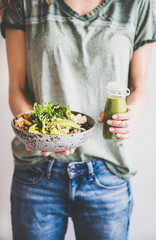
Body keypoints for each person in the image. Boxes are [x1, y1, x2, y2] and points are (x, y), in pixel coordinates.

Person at [1, 0, 156, 239]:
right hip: (38, 173)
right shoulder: (21, 3)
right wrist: (39, 132)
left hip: (107, 172)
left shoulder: (138, 4)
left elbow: (139, 88)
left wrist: (130, 114)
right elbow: (17, 89)